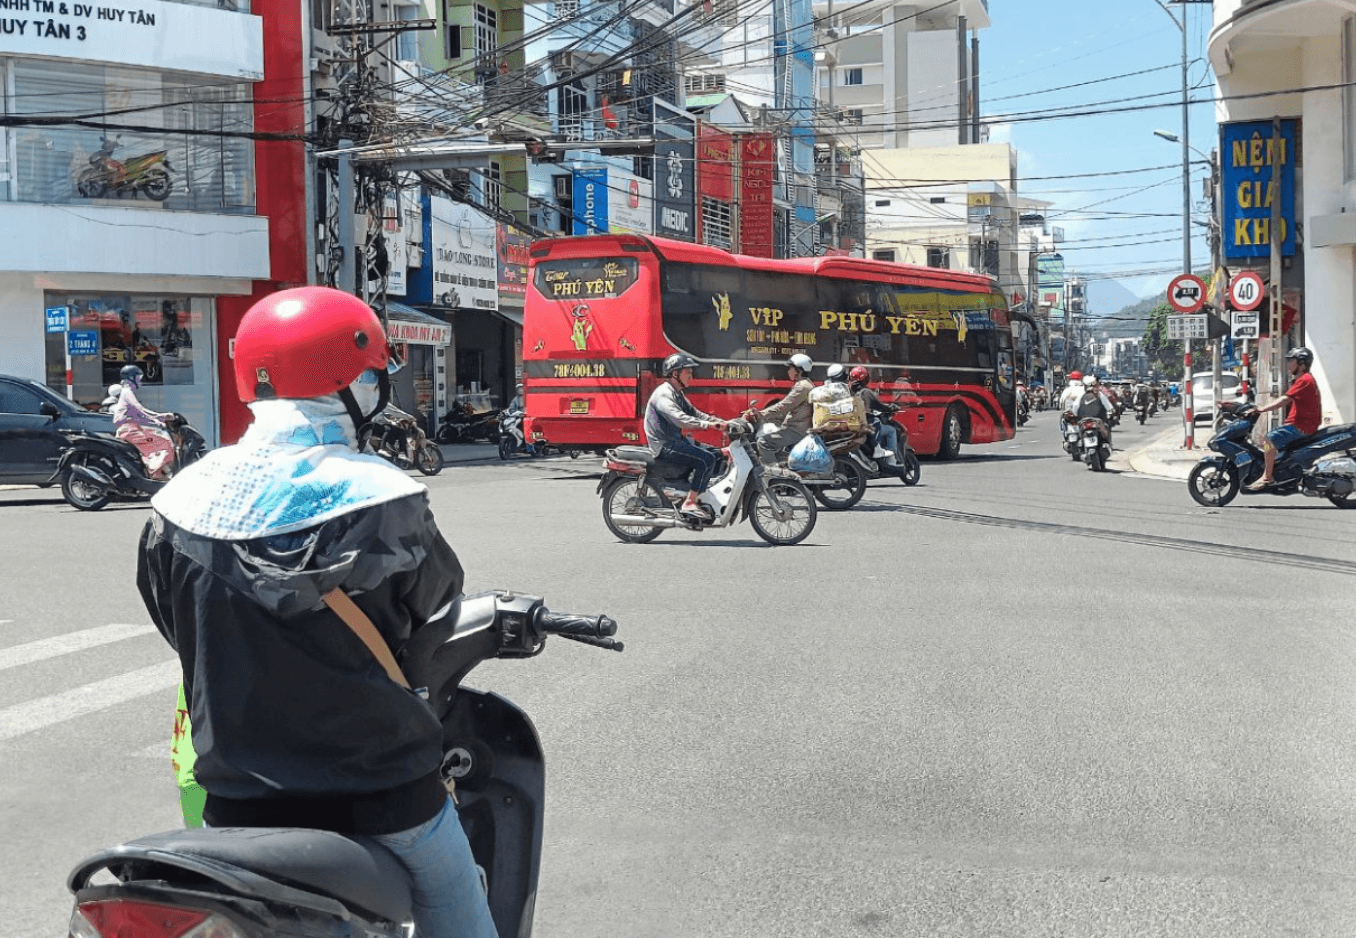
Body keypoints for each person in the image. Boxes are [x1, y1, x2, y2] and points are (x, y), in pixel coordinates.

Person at [137, 286, 499, 938]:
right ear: (345, 382)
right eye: (369, 376)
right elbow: (432, 619)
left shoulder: (177, 506)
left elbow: (177, 628)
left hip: (233, 805)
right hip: (383, 796)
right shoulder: (383, 497)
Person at [644, 352, 729, 520]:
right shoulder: (664, 394)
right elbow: (680, 419)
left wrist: (723, 422)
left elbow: (696, 414)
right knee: (706, 459)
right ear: (675, 374)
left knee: (717, 453)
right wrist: (710, 426)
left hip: (676, 441)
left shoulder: (678, 394)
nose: (691, 374)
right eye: (687, 371)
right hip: (665, 445)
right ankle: (690, 502)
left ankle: (699, 493)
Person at [1246, 346, 1322, 491]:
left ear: (1301, 364)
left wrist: (1262, 409)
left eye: (1291, 361)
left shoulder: (1304, 380)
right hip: (1300, 424)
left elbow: (1283, 400)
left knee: (1268, 439)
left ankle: (1267, 477)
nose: (1288, 364)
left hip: (1301, 426)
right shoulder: (1303, 379)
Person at [112, 365, 176, 480]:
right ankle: (156, 474)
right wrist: (160, 417)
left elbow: (138, 416)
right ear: (131, 378)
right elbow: (140, 410)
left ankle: (154, 470)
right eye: (138, 378)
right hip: (130, 430)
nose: (140, 382)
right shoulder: (127, 392)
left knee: (155, 439)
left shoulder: (126, 392)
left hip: (131, 429)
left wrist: (156, 421)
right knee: (165, 442)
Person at [747, 353, 815, 459]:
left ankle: (771, 472)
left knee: (763, 442)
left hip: (797, 431)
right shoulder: (806, 384)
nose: (788, 371)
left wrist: (760, 414)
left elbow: (783, 407)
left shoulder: (802, 387)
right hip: (799, 427)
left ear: (799, 371)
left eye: (791, 368)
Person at [849, 365, 901, 467]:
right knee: (891, 430)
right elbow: (880, 406)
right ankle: (891, 459)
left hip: (855, 425)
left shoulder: (851, 393)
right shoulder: (867, 392)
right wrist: (891, 408)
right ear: (866, 378)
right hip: (868, 425)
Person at [1073, 375, 1115, 448]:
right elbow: (1109, 407)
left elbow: (1075, 409)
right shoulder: (1100, 395)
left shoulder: (1081, 395)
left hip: (1084, 421)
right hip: (1096, 421)